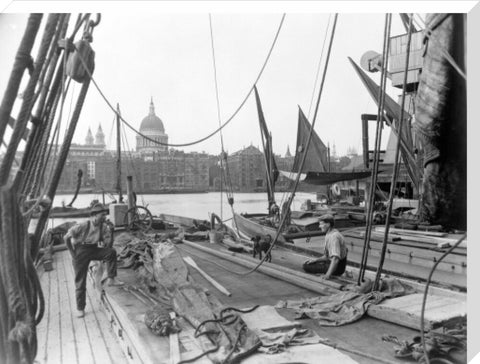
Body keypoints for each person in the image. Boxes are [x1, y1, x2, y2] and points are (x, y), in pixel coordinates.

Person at [64, 203, 123, 318]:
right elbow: (66, 237)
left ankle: (111, 278)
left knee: (111, 253)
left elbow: (108, 246)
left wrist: (111, 232)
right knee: (80, 281)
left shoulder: (103, 227)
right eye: (102, 215)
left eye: (104, 215)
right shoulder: (82, 225)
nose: (104, 217)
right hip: (80, 251)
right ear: (94, 216)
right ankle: (80, 308)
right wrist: (72, 253)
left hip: (93, 249)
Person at [302, 214, 348, 280]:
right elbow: (327, 256)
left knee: (305, 266)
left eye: (321, 224)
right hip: (334, 263)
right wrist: (315, 260)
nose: (319, 226)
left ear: (328, 224)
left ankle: (331, 272)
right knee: (310, 263)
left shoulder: (334, 237)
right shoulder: (330, 233)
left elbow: (335, 259)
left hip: (337, 269)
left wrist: (327, 275)